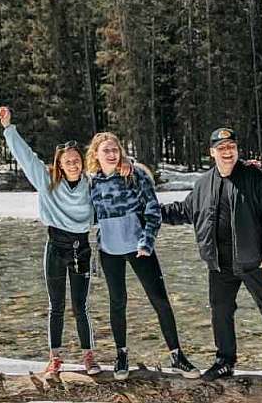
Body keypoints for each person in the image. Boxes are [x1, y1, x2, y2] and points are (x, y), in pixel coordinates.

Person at [161, 128, 262, 384]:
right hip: (219, 263)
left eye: (231, 147)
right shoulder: (204, 183)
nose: (228, 152)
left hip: (254, 260)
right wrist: (152, 212)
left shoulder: (256, 176)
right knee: (220, 312)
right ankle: (225, 361)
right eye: (222, 148)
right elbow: (185, 210)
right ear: (212, 152)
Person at [0, 106, 102, 381]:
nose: (73, 164)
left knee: (81, 306)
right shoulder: (47, 182)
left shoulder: (91, 185)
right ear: (59, 164)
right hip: (55, 246)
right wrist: (9, 128)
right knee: (56, 305)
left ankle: (88, 354)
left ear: (82, 162)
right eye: (67, 161)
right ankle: (55, 357)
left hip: (81, 247)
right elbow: (26, 158)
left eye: (76, 160)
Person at [85, 132, 199, 380]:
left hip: (139, 248)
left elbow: (153, 212)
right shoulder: (92, 183)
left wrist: (146, 242)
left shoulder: (134, 175)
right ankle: (121, 354)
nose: (112, 154)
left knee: (160, 301)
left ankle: (177, 356)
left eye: (115, 149)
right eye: (106, 151)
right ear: (96, 154)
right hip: (109, 251)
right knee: (118, 303)